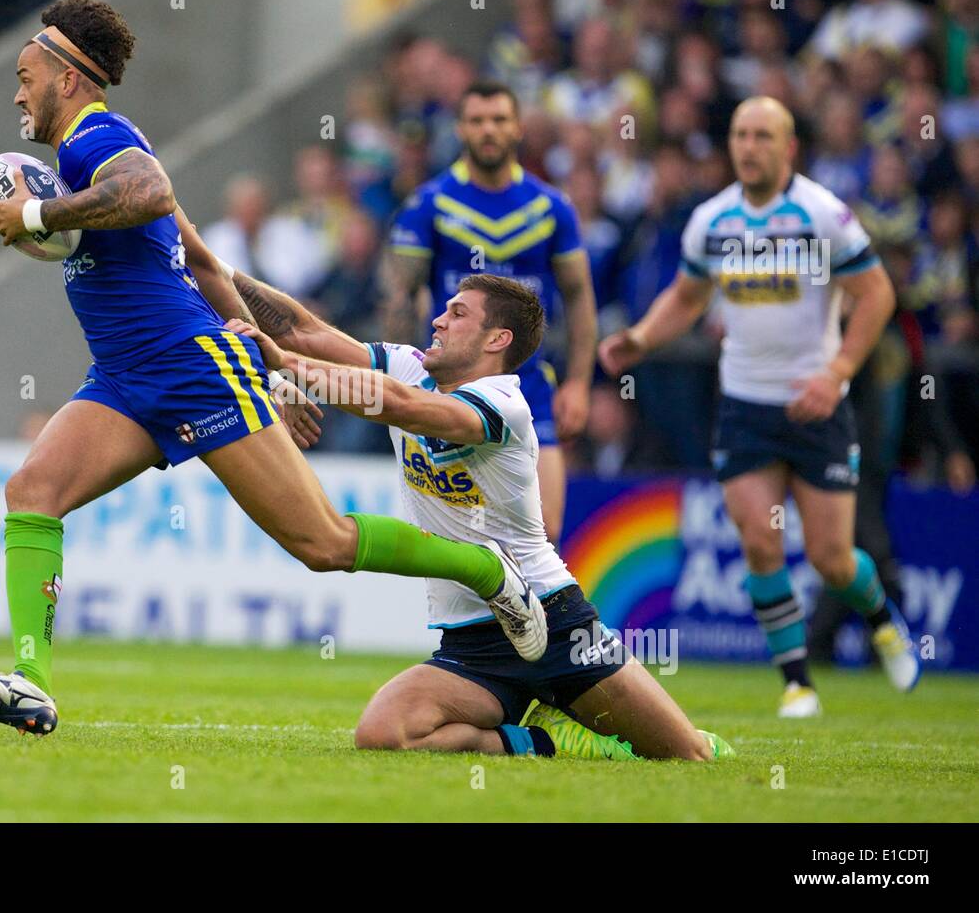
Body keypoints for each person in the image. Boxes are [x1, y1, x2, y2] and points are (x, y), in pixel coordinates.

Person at [0, 0, 545, 736]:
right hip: (125, 378)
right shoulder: (97, 152)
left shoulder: (95, 139)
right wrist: (270, 370)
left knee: (322, 543)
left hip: (193, 368)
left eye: (24, 76)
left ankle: (486, 570)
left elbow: (151, 193)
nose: (17, 92)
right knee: (32, 490)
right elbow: (199, 258)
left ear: (68, 77)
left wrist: (39, 217)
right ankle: (32, 681)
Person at [226, 272, 731, 760]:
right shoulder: (409, 364)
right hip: (472, 638)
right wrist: (204, 257)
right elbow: (301, 328)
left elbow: (399, 405)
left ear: (497, 339)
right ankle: (550, 741)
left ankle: (571, 707)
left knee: (687, 755)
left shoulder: (505, 405)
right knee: (383, 734)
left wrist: (288, 365)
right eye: (444, 310)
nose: (438, 321)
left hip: (553, 618)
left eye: (457, 313)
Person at [599, 97, 920, 718]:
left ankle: (882, 618)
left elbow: (878, 295)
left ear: (788, 147)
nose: (749, 146)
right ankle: (797, 684)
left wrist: (839, 372)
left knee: (831, 559)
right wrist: (640, 337)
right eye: (741, 134)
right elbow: (687, 296)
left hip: (816, 405)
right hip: (745, 406)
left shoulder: (823, 214)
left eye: (763, 136)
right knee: (760, 543)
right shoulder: (712, 221)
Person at [382, 79, 598, 542]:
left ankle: (537, 618)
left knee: (544, 531)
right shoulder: (429, 204)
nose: (488, 131)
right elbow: (401, 295)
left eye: (499, 119)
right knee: (461, 535)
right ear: (460, 129)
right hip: (449, 392)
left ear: (518, 127)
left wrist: (579, 382)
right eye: (477, 120)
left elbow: (580, 298)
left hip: (530, 389)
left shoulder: (551, 208)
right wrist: (404, 380)